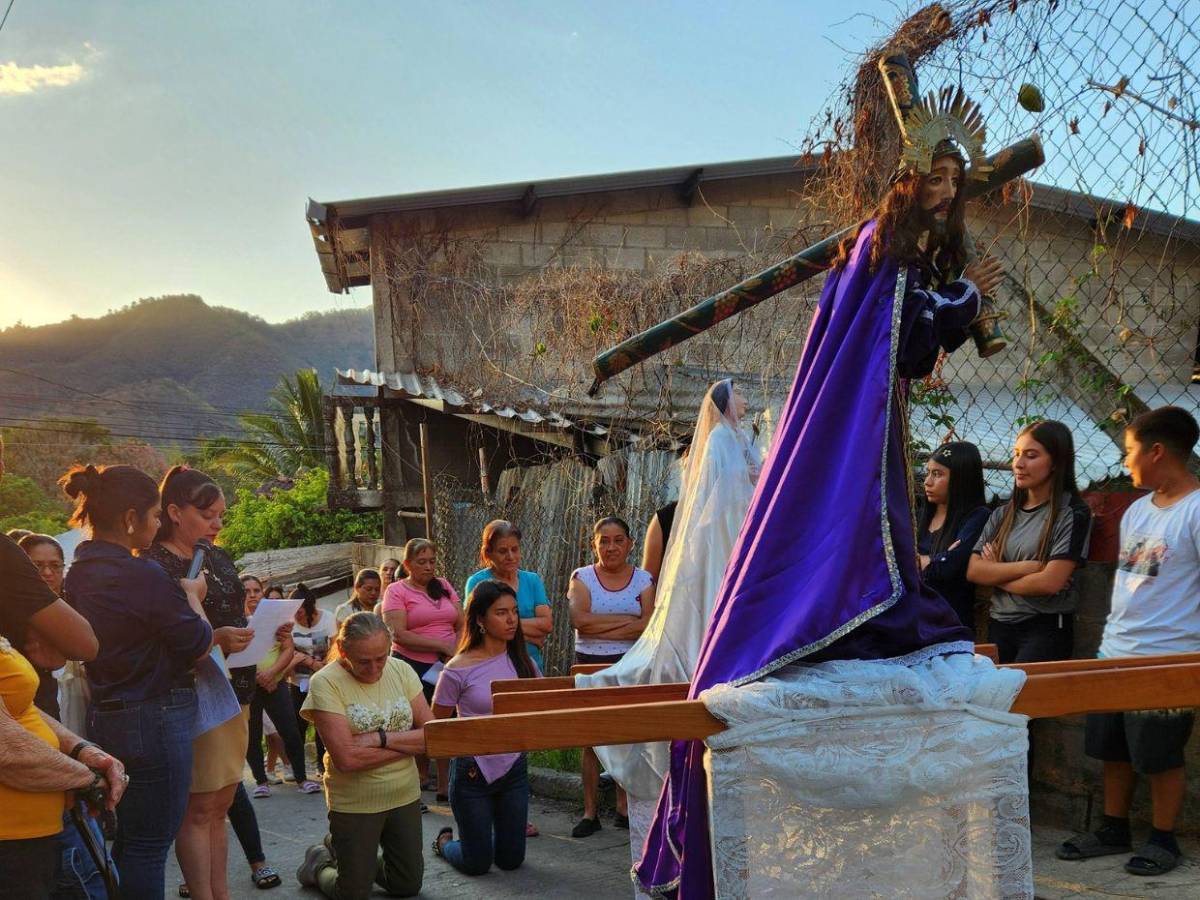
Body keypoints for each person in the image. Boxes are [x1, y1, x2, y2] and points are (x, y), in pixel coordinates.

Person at [636, 71, 1003, 893]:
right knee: (855, 527)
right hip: (857, 431)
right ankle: (854, 612)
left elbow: (904, 349)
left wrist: (949, 297)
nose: (946, 191)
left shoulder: (896, 258)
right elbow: (908, 337)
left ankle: (867, 612)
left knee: (869, 523)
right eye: (936, 177)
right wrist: (964, 302)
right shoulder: (881, 251)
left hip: (871, 424)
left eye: (956, 181)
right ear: (910, 181)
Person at [577, 381, 759, 869]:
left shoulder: (738, 441)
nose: (746, 402)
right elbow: (720, 507)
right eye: (739, 395)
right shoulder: (720, 444)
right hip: (717, 545)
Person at [1057, 407, 1200, 876]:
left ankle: (1163, 838)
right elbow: (1133, 580)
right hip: (1115, 650)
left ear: (1157, 452)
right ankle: (1113, 827)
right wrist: (1108, 644)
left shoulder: (1195, 510)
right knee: (1111, 748)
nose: (1125, 462)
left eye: (1130, 451)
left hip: (1168, 658)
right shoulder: (1137, 510)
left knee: (1159, 755)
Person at [62, 463, 213, 900]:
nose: (157, 525)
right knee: (149, 845)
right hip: (156, 714)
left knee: (129, 841)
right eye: (154, 516)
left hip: (109, 714)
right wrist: (192, 596)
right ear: (131, 518)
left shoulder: (80, 571)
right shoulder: (141, 574)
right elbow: (198, 642)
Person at [142, 465, 260, 900]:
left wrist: (264, 630)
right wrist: (218, 638)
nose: (217, 524)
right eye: (208, 515)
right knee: (199, 807)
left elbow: (236, 615)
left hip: (238, 688)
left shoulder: (217, 557)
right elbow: (171, 637)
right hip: (195, 693)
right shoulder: (154, 566)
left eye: (221, 516)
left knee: (221, 804)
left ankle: (219, 893)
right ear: (174, 512)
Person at [295, 613, 429, 899]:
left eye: (381, 658)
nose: (374, 669)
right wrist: (409, 744)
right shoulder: (325, 682)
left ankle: (349, 854)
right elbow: (347, 760)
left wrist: (380, 739)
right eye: (364, 661)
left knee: (406, 885)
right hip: (355, 800)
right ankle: (319, 865)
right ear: (343, 651)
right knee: (353, 892)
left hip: (404, 793)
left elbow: (433, 736)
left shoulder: (402, 670)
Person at [0, 636, 127, 900]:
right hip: (11, 847)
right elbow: (7, 751)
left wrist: (81, 749)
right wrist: (89, 779)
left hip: (32, 841)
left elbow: (19, 706)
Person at [431, 580, 539, 875]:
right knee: (477, 864)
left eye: (514, 611)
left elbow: (541, 709)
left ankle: (483, 839)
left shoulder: (524, 662)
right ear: (480, 619)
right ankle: (444, 843)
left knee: (510, 861)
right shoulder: (457, 669)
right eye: (501, 613)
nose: (511, 619)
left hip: (514, 767)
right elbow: (436, 723)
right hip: (472, 771)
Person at [967, 421, 1092, 664]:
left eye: (1031, 456)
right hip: (999, 623)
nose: (1018, 464)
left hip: (1045, 627)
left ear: (1056, 462)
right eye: (1016, 454)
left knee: (1027, 689)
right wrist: (1028, 567)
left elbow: (1049, 583)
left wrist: (996, 573)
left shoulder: (1072, 513)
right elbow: (974, 570)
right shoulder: (1002, 514)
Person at [569, 516, 655, 838]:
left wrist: (601, 624)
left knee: (627, 735)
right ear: (594, 545)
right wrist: (628, 622)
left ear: (630, 544)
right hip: (591, 664)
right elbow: (580, 621)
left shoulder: (643, 579)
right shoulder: (582, 577)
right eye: (604, 541)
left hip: (631, 664)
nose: (611, 547)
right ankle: (590, 812)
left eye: (618, 540)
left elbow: (648, 625)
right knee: (590, 739)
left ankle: (623, 808)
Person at [381, 538, 462, 799]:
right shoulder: (396, 591)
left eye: (432, 561)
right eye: (421, 562)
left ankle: (444, 785)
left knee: (445, 721)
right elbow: (398, 633)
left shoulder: (444, 586)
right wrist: (440, 645)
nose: (428, 567)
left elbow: (461, 622)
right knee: (416, 722)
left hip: (447, 664)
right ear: (407, 564)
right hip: (411, 665)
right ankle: (419, 778)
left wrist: (455, 650)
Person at [242, 575, 320, 796]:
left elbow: (288, 649)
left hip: (275, 684)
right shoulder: (233, 621)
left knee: (290, 731)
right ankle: (261, 782)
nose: (252, 595)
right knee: (252, 735)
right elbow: (229, 653)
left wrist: (271, 673)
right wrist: (257, 676)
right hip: (247, 686)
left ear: (263, 593)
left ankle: (302, 779)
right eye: (247, 591)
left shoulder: (275, 619)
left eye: (256, 590)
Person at [917, 442, 990, 632]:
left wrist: (921, 561)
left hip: (950, 625)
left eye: (937, 474)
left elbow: (951, 566)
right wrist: (938, 558)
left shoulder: (977, 517)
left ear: (961, 478)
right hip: (915, 620)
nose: (927, 482)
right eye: (928, 472)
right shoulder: (921, 514)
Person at [464, 521, 552, 674]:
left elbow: (546, 624)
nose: (510, 556)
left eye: (514, 549)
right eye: (503, 551)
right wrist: (529, 636)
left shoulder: (532, 580)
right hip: (490, 666)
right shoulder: (477, 582)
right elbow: (475, 626)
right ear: (488, 553)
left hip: (530, 665)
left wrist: (501, 628)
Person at [291, 584, 336, 779]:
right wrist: (310, 662)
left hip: (324, 679)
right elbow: (287, 649)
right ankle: (298, 769)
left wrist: (325, 664)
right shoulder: (289, 622)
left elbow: (335, 645)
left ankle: (321, 764)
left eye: (300, 612)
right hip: (298, 682)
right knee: (298, 725)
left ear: (310, 608)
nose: (296, 616)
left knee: (322, 723)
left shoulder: (327, 618)